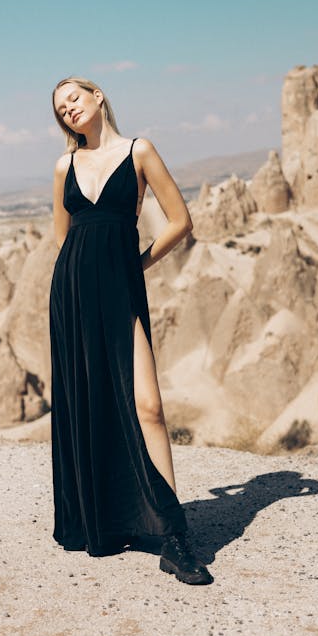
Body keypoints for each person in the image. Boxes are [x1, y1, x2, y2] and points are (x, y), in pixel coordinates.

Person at [48, 76, 213, 585]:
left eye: (73, 98)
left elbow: (179, 220)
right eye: (59, 109)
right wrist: (77, 285)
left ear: (97, 95)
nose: (68, 109)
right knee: (89, 403)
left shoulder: (140, 151)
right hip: (74, 295)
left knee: (149, 406)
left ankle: (174, 533)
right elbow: (64, 237)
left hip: (121, 289)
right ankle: (107, 518)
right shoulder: (63, 166)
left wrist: (137, 263)